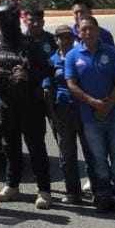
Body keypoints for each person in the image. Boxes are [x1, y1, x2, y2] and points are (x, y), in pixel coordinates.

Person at [0, 3, 54, 209]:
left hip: (30, 105)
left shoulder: (30, 43)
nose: (4, 24)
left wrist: (29, 75)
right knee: (10, 146)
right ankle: (11, 185)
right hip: (6, 104)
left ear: (15, 21)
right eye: (1, 20)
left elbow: (48, 69)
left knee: (36, 147)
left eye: (8, 19)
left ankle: (44, 190)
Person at [66, 16, 115, 215]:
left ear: (98, 30)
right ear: (78, 32)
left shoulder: (111, 53)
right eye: (83, 29)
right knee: (99, 161)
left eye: (91, 29)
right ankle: (104, 198)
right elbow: (71, 84)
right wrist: (93, 103)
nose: (88, 33)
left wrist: (108, 105)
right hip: (90, 118)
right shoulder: (72, 55)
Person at [45, 25, 91, 204]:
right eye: (60, 37)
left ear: (73, 38)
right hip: (62, 112)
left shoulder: (82, 56)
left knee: (90, 151)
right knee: (67, 154)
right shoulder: (52, 60)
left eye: (68, 37)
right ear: (56, 40)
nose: (65, 41)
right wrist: (53, 115)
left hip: (83, 109)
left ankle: (98, 189)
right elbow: (47, 89)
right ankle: (73, 192)